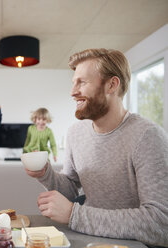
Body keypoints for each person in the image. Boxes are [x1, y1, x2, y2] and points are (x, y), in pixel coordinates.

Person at [25, 48, 168, 246]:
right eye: (73, 82)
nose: (73, 92)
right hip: (90, 240)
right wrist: (46, 173)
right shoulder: (76, 133)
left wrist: (75, 215)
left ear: (112, 85)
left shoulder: (147, 136)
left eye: (82, 82)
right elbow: (71, 188)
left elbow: (161, 223)